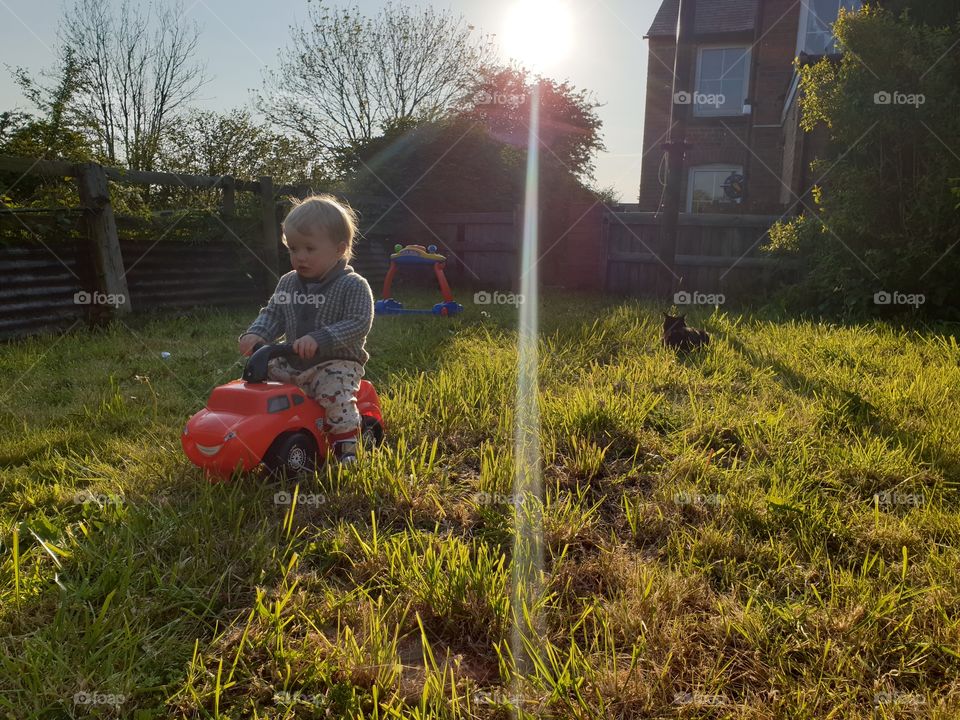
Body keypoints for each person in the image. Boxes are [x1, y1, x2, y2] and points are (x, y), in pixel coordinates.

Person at [238, 194, 374, 463]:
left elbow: (358, 323)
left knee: (335, 394)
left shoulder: (353, 285)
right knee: (260, 376)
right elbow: (274, 313)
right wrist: (258, 333)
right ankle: (261, 432)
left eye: (309, 249)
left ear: (339, 249)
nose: (300, 257)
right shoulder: (288, 282)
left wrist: (320, 338)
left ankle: (346, 447)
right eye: (293, 249)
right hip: (294, 361)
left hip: (336, 362)